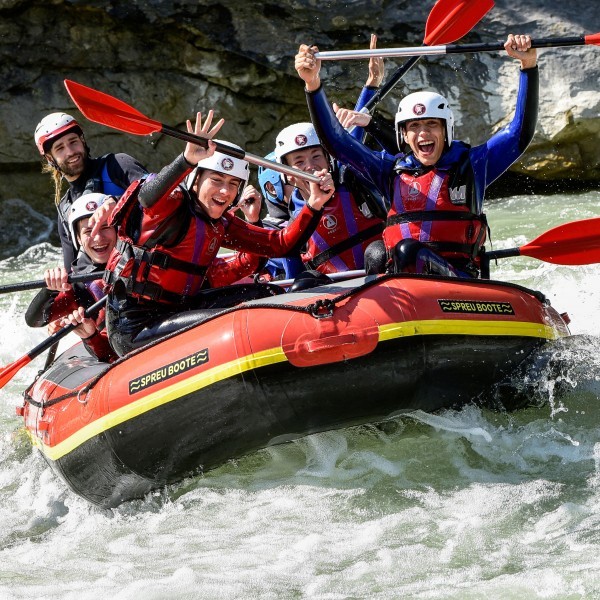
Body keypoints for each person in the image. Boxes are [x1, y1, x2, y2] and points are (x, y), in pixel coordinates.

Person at [295, 34, 539, 278]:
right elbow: (336, 142)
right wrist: (313, 84)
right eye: (414, 127)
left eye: (432, 124)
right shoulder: (388, 171)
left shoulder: (473, 164)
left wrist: (528, 66)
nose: (423, 133)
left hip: (458, 279)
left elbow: (519, 134)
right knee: (377, 253)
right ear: (404, 135)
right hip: (403, 286)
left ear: (446, 131)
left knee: (406, 251)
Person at [102, 110, 335, 357]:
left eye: (233, 184)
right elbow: (147, 198)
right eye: (217, 180)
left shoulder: (221, 223)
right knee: (235, 319)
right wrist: (187, 159)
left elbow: (279, 245)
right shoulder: (171, 206)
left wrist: (315, 205)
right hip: (135, 326)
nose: (225, 191)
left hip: (181, 309)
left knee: (269, 295)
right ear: (195, 180)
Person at [34, 112, 148, 271]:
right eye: (60, 148)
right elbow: (71, 272)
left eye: (73, 142)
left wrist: (118, 202)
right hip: (113, 286)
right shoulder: (65, 209)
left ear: (82, 140)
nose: (70, 152)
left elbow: (160, 190)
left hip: (148, 265)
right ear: (50, 158)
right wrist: (58, 280)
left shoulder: (117, 165)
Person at [25, 193, 118, 362]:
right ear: (78, 239)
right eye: (88, 231)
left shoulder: (139, 257)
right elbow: (34, 321)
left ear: (117, 229)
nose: (98, 238)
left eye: (105, 227)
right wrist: (49, 290)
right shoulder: (80, 287)